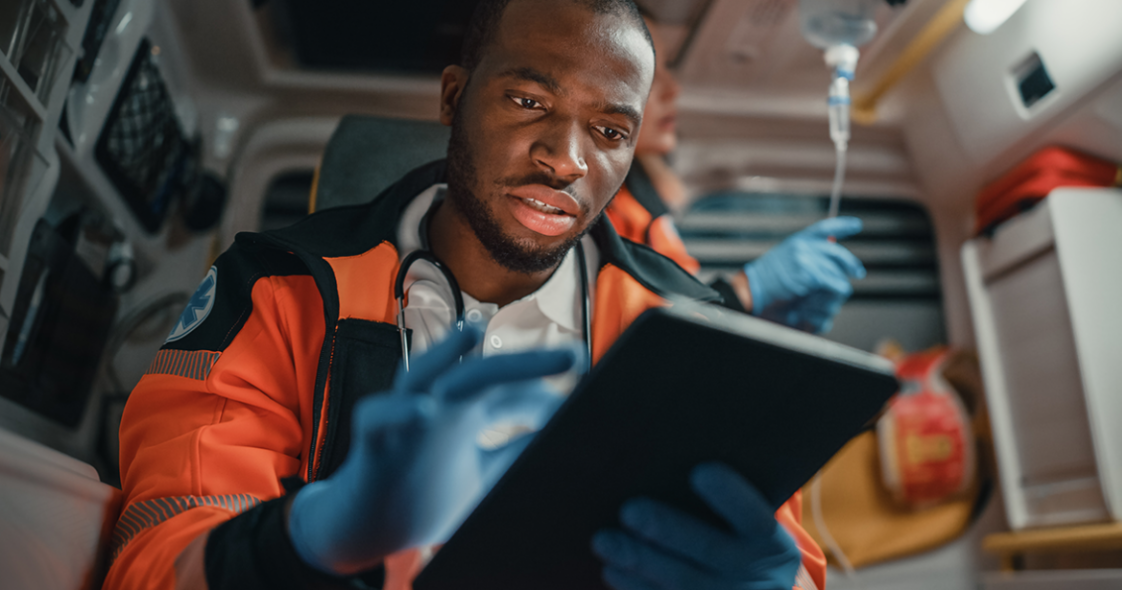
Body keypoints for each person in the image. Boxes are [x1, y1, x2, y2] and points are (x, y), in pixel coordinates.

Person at [104, 1, 825, 589]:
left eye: (609, 130)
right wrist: (310, 537)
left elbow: (789, 562)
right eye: (528, 100)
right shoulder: (279, 287)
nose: (567, 159)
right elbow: (157, 551)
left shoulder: (694, 337)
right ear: (454, 96)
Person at [606, 10, 866, 335]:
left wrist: (758, 318)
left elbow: (679, 326)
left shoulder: (643, 206)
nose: (674, 89)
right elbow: (641, 345)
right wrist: (744, 291)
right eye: (649, 72)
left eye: (668, 67)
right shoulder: (597, 221)